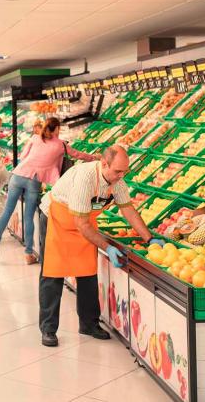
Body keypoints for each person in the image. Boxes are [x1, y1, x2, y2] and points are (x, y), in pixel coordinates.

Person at [38, 145, 162, 347]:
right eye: (117, 171)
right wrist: (107, 247)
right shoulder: (86, 178)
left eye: (125, 171)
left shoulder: (117, 181)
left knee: (87, 273)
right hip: (58, 220)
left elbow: (128, 209)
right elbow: (81, 224)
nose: (121, 176)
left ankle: (89, 324)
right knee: (53, 275)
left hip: (84, 222)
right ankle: (48, 329)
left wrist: (149, 238)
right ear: (104, 163)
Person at [0, 117, 98, 263]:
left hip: (18, 175)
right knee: (28, 217)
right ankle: (28, 254)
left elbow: (23, 156)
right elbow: (78, 155)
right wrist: (94, 157)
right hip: (34, 180)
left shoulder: (35, 138)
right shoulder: (61, 145)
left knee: (7, 210)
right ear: (57, 129)